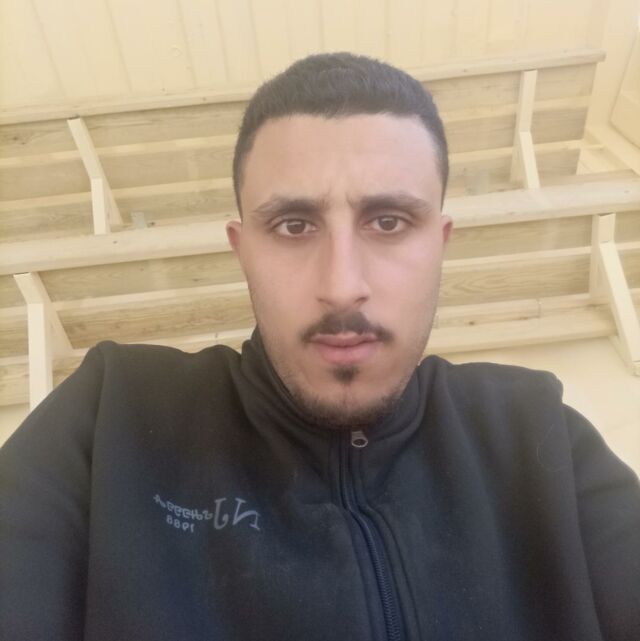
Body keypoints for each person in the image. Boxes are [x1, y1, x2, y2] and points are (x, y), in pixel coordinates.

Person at [1, 52, 639, 641]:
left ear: (438, 244)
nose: (341, 285)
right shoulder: (112, 418)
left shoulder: (536, 431)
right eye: (293, 225)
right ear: (243, 250)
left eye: (388, 222)